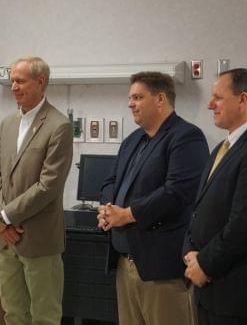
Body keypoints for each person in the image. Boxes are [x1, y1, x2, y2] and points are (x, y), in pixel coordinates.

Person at [96, 72, 209, 325]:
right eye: (130, 98)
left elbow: (176, 192)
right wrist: (106, 209)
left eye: (138, 97)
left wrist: (126, 214)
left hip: (161, 269)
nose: (130, 104)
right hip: (125, 263)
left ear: (160, 99)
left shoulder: (186, 137)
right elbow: (109, 182)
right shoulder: (132, 140)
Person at [183, 68, 247, 325]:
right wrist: (190, 252)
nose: (209, 104)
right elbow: (200, 209)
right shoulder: (222, 148)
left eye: (218, 97)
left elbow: (245, 224)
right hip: (210, 291)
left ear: (242, 99)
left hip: (239, 295)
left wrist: (204, 264)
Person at [0, 57, 73, 325]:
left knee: (44, 317)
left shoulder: (59, 126)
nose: (14, 86)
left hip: (38, 239)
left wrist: (5, 217)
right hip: (7, 239)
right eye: (12, 80)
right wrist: (2, 222)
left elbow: (49, 185)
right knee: (13, 314)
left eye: (20, 80)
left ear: (40, 82)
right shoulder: (7, 123)